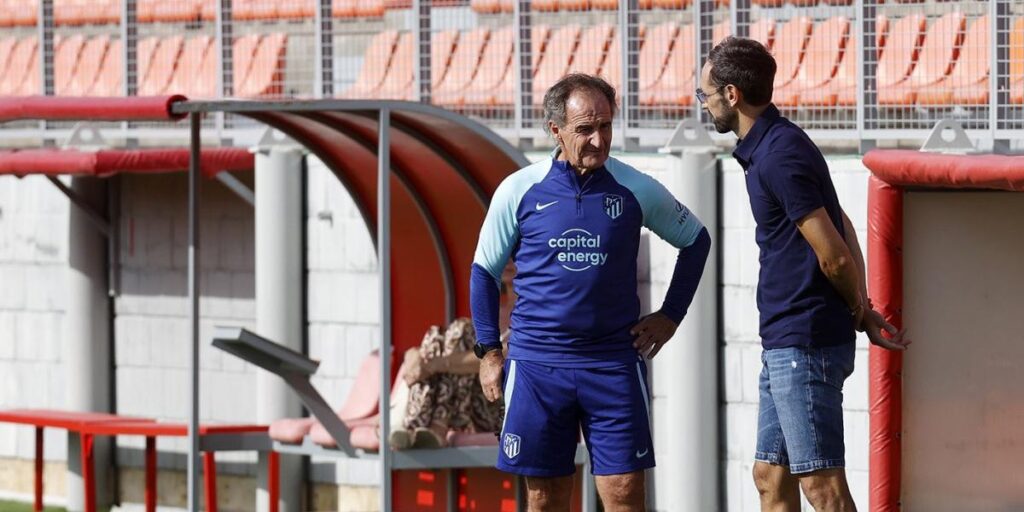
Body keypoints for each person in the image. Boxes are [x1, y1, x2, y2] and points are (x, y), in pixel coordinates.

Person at [469, 73, 712, 512]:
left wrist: (670, 315)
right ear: (555, 130)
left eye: (605, 126)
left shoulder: (634, 188)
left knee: (624, 495)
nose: (598, 140)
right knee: (545, 500)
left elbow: (696, 240)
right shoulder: (519, 189)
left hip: (612, 365)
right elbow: (484, 271)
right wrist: (488, 352)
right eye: (585, 129)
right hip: (538, 366)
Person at [698, 37, 911, 511]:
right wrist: (862, 306)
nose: (704, 104)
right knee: (770, 476)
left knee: (821, 485)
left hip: (805, 342)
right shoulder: (775, 144)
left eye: (705, 94)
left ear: (732, 95)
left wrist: (861, 310)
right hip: (785, 341)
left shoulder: (778, 154)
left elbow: (832, 253)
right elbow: (843, 221)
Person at [388, 266, 516, 450]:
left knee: (462, 330)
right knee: (437, 334)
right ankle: (432, 426)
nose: (510, 259)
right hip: (463, 402)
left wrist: (438, 364)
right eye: (506, 253)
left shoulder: (533, 312)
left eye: (518, 251)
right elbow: (432, 350)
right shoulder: (494, 310)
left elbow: (503, 354)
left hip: (500, 405)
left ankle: (411, 423)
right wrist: (414, 357)